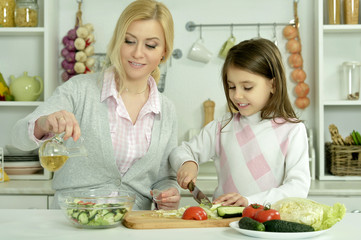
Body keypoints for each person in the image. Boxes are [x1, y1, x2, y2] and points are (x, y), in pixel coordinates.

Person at [11, 0, 180, 210]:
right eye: (129, 41)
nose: (138, 53)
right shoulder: (79, 90)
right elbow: (18, 137)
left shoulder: (166, 110)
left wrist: (168, 193)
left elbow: (165, 177)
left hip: (131, 227)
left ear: (164, 51)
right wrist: (44, 123)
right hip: (72, 223)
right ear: (118, 41)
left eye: (150, 45)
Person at [170, 38, 311, 207]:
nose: (237, 95)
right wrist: (188, 163)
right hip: (223, 225)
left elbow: (298, 187)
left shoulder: (292, 130)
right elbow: (181, 151)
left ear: (273, 85)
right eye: (231, 86)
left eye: (247, 87)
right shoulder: (223, 127)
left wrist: (250, 202)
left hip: (270, 225)